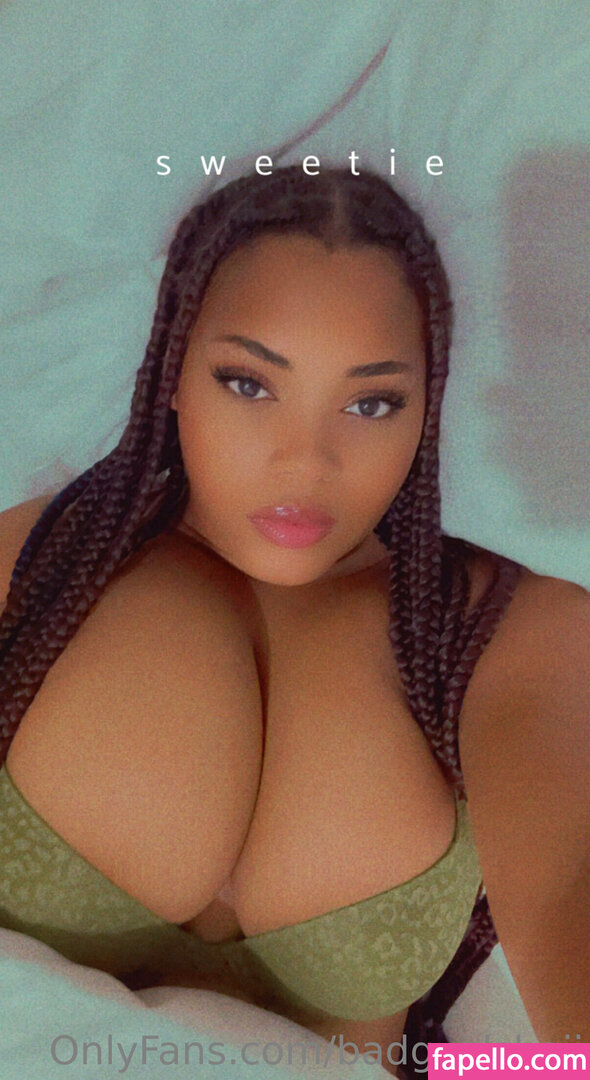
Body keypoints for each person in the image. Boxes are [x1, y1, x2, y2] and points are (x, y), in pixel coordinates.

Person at [0, 165, 587, 1076]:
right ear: (171, 374)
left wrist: (496, 1070)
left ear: (427, 413)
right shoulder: (34, 565)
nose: (306, 461)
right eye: (248, 383)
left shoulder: (507, 634)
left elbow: (569, 900)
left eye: (370, 403)